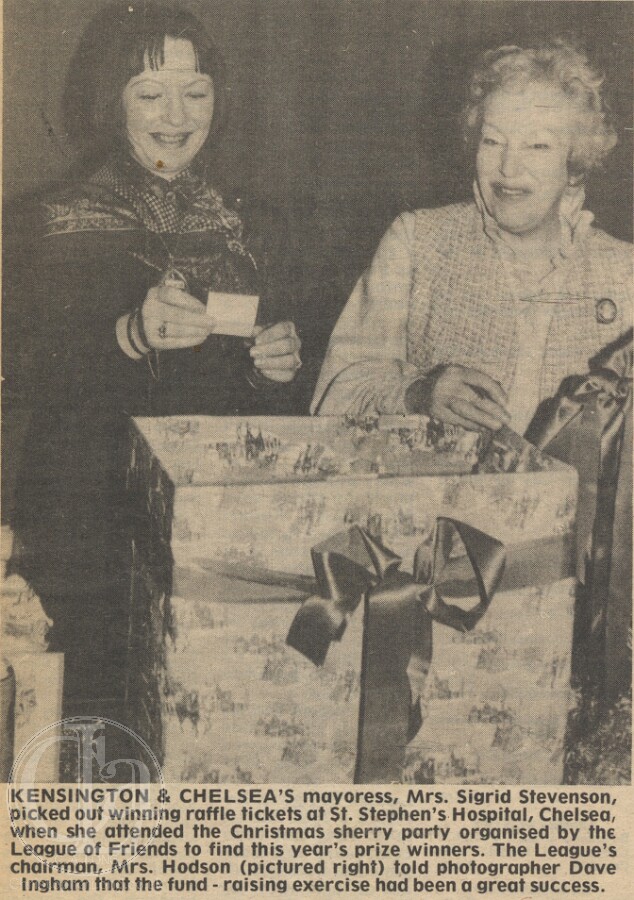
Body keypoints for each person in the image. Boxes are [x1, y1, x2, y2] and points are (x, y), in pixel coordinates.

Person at [2, 2, 302, 704]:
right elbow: (16, 371)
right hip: (86, 525)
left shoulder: (250, 226)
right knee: (97, 710)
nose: (176, 116)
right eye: (150, 94)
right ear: (113, 101)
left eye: (195, 92)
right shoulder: (43, 223)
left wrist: (277, 365)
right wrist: (127, 335)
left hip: (211, 523)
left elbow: (268, 387)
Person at [311, 39, 632, 435]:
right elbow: (335, 396)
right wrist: (416, 393)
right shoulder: (416, 242)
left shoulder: (624, 272)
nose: (508, 167)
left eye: (537, 145)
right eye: (493, 141)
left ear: (575, 161)